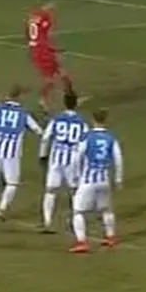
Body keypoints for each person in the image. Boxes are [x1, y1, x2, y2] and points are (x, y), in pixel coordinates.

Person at [0, 85, 43, 220]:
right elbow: (37, 130)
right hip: (12, 154)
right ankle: (1, 210)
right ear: (19, 97)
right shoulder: (23, 114)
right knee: (12, 183)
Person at [69, 108, 124, 254]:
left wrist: (74, 177)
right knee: (106, 209)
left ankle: (82, 242)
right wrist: (118, 179)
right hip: (104, 180)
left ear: (93, 120)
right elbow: (118, 160)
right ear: (106, 121)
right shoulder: (111, 139)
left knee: (78, 211)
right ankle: (110, 237)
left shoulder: (87, 137)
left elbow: (77, 157)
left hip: (88, 181)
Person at [38, 91, 88, 233]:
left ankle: (47, 222)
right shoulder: (82, 123)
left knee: (50, 191)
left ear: (64, 103)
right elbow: (86, 142)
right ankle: (74, 221)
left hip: (56, 161)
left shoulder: (56, 119)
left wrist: (42, 155)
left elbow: (45, 138)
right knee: (74, 192)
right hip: (73, 161)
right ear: (76, 104)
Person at [27, 0, 74, 112]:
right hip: (43, 51)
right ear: (50, 2)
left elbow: (30, 32)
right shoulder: (46, 16)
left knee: (64, 75)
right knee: (51, 79)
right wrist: (54, 48)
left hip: (37, 49)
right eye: (54, 3)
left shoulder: (34, 15)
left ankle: (69, 98)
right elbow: (45, 36)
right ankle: (43, 100)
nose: (55, 6)